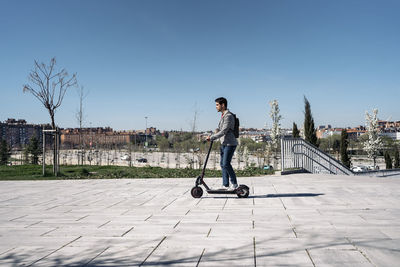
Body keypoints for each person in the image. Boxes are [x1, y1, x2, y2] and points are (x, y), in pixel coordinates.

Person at [207, 97, 238, 190]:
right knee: (222, 164)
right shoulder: (223, 116)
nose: (216, 107)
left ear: (223, 105)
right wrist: (213, 133)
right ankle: (225, 185)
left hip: (230, 144)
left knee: (226, 164)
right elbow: (220, 129)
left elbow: (224, 131)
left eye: (217, 105)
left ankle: (234, 184)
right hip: (224, 143)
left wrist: (212, 137)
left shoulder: (228, 116)